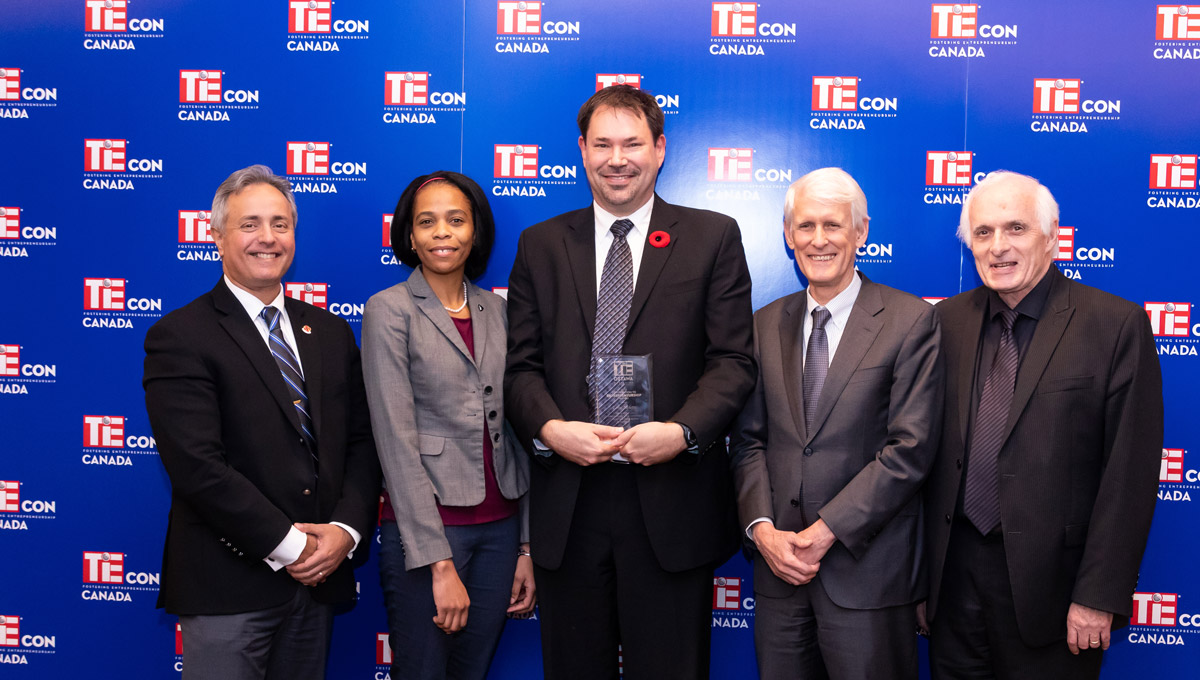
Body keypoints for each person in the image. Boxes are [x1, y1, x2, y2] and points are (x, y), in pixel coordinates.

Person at [504, 84, 756, 679]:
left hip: (670, 497)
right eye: (602, 144)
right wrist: (550, 428)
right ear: (583, 152)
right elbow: (519, 367)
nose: (617, 158)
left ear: (660, 149)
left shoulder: (711, 236)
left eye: (633, 143)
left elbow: (732, 362)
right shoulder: (541, 244)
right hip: (570, 498)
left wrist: (682, 432)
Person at [142, 164, 381, 680]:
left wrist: (343, 532)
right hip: (228, 585)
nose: (267, 238)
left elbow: (361, 444)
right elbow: (197, 467)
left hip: (318, 582)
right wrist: (294, 548)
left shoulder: (331, 331)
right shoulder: (180, 335)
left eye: (280, 224)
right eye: (250, 224)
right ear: (217, 237)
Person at [922, 170, 1163, 679]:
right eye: (983, 233)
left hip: (1056, 596)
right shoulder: (945, 324)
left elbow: (1130, 476)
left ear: (1052, 237)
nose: (998, 246)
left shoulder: (1116, 325)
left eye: (1016, 229)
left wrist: (1098, 595)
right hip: (952, 587)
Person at [729, 167, 942, 679]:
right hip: (780, 576)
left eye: (833, 225)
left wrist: (827, 531)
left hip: (868, 577)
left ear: (861, 232)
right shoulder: (763, 323)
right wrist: (762, 531)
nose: (818, 240)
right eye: (805, 227)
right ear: (787, 236)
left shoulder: (911, 320)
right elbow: (748, 441)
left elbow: (909, 448)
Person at [362, 171, 534, 679]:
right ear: (409, 236)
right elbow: (394, 439)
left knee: (471, 672)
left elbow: (520, 430)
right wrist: (438, 564)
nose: (443, 232)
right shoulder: (388, 310)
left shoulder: (500, 311)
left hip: (501, 529)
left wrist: (526, 547)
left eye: (456, 220)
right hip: (430, 533)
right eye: (427, 222)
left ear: (475, 232)